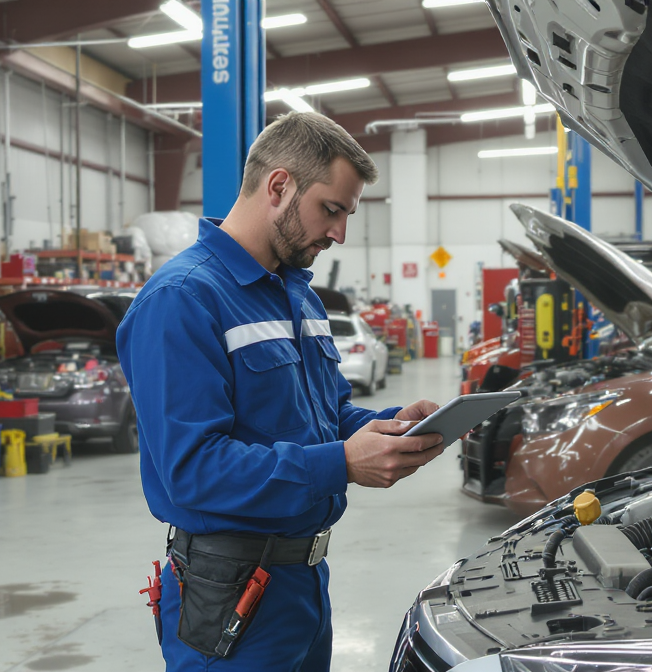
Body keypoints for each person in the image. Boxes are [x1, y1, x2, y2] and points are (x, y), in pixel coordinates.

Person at [115, 112, 445, 671]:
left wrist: (389, 427)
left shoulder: (298, 297)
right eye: (332, 209)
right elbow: (193, 469)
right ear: (278, 186)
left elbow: (326, 414)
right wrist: (340, 463)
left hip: (303, 583)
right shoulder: (183, 300)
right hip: (230, 594)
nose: (340, 232)